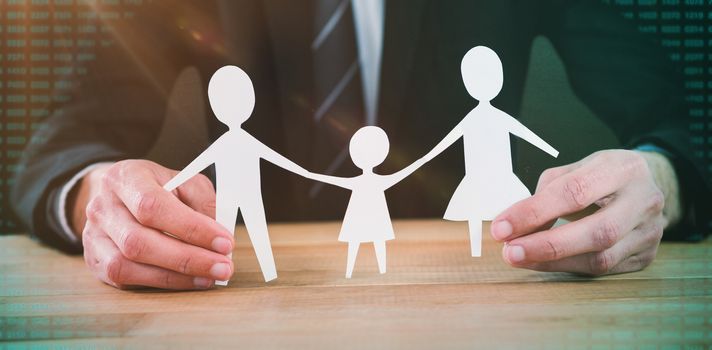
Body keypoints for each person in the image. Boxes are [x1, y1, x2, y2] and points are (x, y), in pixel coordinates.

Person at [10, 1, 711, 290]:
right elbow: (64, 146)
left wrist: (664, 180)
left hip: (476, 299)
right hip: (254, 305)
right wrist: (97, 195)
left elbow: (680, 114)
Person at [163, 65, 312, 284]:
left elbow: (277, 159)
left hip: (246, 197)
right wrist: (168, 186)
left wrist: (305, 172)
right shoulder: (232, 142)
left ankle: (258, 274)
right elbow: (195, 166)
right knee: (226, 237)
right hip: (232, 198)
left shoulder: (240, 141)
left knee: (246, 234)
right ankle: (226, 276)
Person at [423, 46, 559, 258]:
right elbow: (448, 141)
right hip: (476, 177)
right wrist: (426, 157)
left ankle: (514, 245)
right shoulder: (472, 119)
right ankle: (476, 252)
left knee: (512, 212)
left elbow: (524, 133)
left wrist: (551, 151)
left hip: (502, 176)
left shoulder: (498, 117)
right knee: (475, 211)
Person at [304, 126, 429, 278]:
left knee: (367, 240)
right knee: (370, 240)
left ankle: (365, 271)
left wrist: (309, 175)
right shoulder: (374, 181)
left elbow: (402, 174)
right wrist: (421, 161)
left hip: (366, 217)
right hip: (365, 217)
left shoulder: (366, 182)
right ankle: (358, 271)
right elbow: (402, 174)